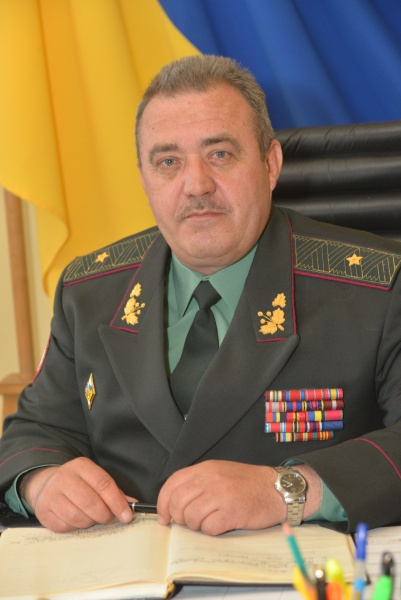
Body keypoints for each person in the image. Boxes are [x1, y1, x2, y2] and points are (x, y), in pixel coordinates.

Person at [1, 55, 401, 536]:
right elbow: (34, 432)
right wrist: (42, 482)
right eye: (168, 162)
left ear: (270, 164)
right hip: (125, 567)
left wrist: (288, 489)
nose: (195, 185)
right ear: (144, 178)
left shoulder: (378, 288)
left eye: (220, 154)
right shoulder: (88, 291)